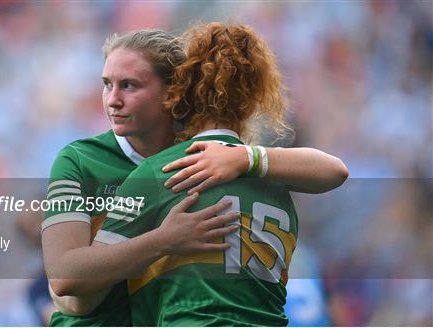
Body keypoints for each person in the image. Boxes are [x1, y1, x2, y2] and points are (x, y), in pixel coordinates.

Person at [42, 28, 348, 326]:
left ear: (173, 92)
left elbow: (333, 170)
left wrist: (246, 157)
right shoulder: (80, 160)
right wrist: (164, 241)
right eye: (107, 84)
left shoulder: (211, 160)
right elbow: (68, 285)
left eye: (130, 85)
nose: (112, 99)